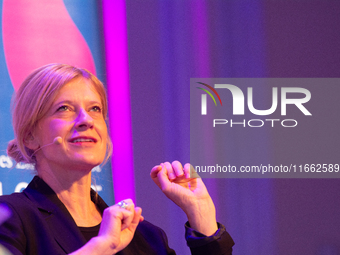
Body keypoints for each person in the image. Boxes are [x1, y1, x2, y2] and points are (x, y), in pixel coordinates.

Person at [0, 64, 234, 254]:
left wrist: (201, 213)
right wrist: (101, 248)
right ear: (30, 136)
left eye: (95, 109)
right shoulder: (10, 218)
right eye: (64, 108)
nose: (86, 120)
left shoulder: (144, 237)